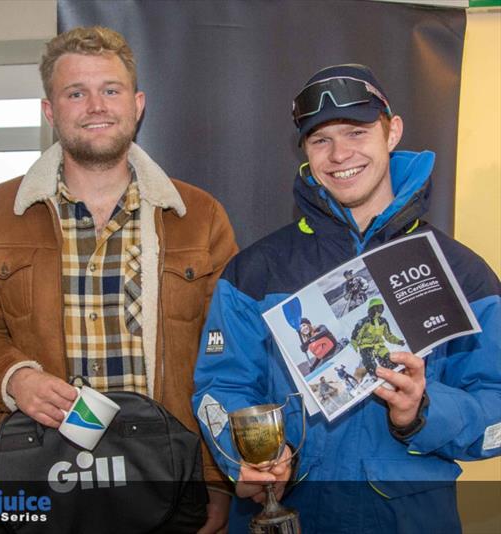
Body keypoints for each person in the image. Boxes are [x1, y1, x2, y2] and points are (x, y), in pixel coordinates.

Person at [0, 26, 237, 533]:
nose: (96, 105)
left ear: (138, 103)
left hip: (167, 478)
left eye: (110, 90)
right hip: (41, 477)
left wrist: (215, 478)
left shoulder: (200, 215)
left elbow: (228, 356)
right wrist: (16, 377)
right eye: (75, 93)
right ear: (50, 111)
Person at [193, 64, 500, 533]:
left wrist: (424, 410)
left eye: (356, 132)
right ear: (305, 152)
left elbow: (495, 410)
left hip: (410, 520)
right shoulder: (255, 270)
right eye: (320, 140)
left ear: (391, 132)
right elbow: (222, 388)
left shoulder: (461, 272)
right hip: (287, 514)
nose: (339, 154)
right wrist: (247, 457)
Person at [351, 298, 405, 377]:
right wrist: (354, 348)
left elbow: (388, 335)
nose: (380, 310)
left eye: (381, 308)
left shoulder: (383, 321)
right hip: (366, 347)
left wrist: (398, 341)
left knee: (389, 361)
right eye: (378, 308)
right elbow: (355, 336)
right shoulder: (364, 321)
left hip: (379, 347)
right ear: (372, 309)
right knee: (369, 362)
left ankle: (395, 372)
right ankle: (374, 376)